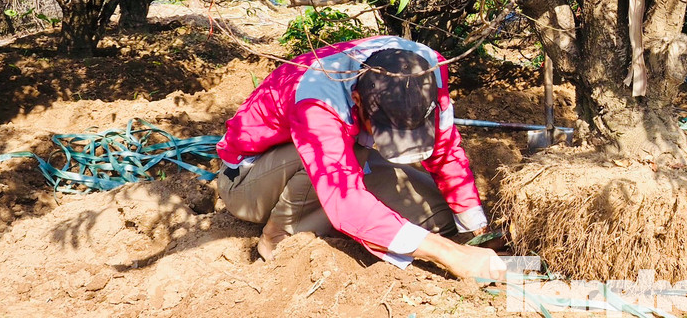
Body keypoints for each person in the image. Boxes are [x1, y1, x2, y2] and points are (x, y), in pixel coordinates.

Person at [215, 35, 505, 281]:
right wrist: (451, 255)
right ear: (357, 101)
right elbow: (345, 199)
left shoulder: (427, 69)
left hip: (348, 154)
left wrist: (477, 233)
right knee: (346, 174)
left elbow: (445, 150)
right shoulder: (318, 99)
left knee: (439, 219)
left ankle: (342, 223)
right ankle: (277, 240)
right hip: (249, 180)